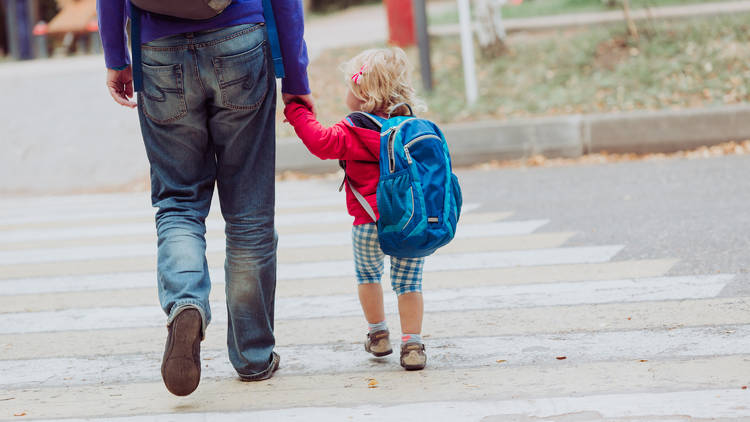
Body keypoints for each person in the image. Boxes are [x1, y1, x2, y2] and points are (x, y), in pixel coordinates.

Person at [97, 0, 312, 396]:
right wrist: (296, 79)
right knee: (249, 212)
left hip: (159, 49)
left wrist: (116, 55)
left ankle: (186, 303)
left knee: (178, 202)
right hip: (240, 40)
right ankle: (253, 355)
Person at [283, 47, 428, 371]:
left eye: (350, 86)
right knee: (409, 284)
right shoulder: (410, 129)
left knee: (368, 275)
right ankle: (412, 344)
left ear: (363, 94)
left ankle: (378, 335)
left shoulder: (354, 130)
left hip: (367, 223)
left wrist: (297, 111)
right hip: (409, 222)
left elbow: (320, 142)